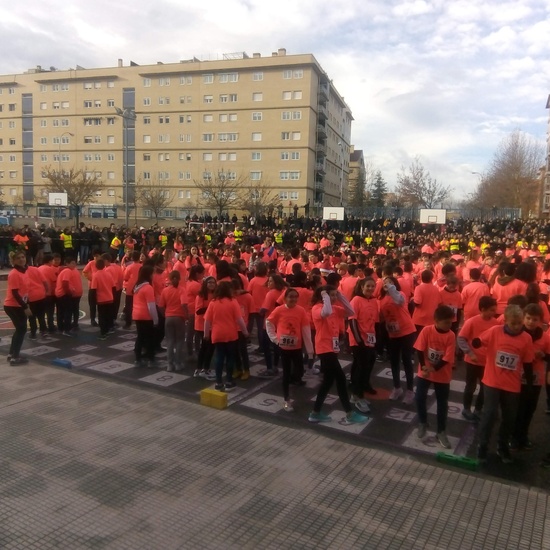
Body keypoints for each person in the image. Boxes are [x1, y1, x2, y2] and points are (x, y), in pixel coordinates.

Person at [473, 304, 534, 464]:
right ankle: (483, 445)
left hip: (512, 385)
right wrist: (476, 342)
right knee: (490, 414)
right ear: (505, 321)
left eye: (519, 323)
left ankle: (502, 446)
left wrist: (528, 384)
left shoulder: (526, 338)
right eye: (513, 323)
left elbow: (528, 363)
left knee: (509, 417)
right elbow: (480, 340)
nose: (516, 326)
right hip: (492, 381)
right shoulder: (495, 331)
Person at [308, 285, 369, 425]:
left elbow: (350, 311)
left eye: (335, 295)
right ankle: (349, 413)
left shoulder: (336, 308)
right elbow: (326, 311)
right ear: (323, 297)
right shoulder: (317, 308)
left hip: (332, 348)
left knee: (328, 382)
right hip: (324, 348)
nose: (334, 298)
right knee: (341, 379)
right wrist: (325, 296)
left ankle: (315, 413)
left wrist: (341, 296)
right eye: (332, 295)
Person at [414, 305, 456, 449]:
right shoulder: (427, 330)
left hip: (442, 373)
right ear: (436, 321)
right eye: (446, 322)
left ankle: (441, 431)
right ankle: (423, 422)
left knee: (442, 404)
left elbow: (446, 358)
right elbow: (419, 349)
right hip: (425, 371)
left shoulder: (451, 335)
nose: (449, 325)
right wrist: (424, 366)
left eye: (450, 322)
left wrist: (433, 368)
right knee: (419, 397)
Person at [266, 288, 314, 412]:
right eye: (290, 296)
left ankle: (295, 380)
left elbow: (306, 330)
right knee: (286, 373)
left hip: (297, 347)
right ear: (285, 298)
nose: (293, 299)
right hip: (284, 347)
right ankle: (286, 399)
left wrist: (310, 351)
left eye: (295, 297)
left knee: (299, 370)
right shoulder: (279, 310)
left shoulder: (301, 311)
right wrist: (275, 339)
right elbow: (269, 322)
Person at [510, 303, 550, 450]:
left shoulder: (545, 337)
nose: (531, 322)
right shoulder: (517, 333)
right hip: (516, 377)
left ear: (540, 321)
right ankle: (513, 436)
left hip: (535, 379)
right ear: (523, 318)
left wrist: (543, 355)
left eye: (535, 319)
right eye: (528, 318)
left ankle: (523, 436)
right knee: (517, 409)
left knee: (530, 409)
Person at [457, 296, 498, 421]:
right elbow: (461, 338)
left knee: (485, 387)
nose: (493, 313)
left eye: (494, 310)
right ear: (483, 309)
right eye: (491, 310)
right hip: (473, 361)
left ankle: (478, 409)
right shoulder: (472, 321)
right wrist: (470, 353)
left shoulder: (495, 323)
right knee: (471, 386)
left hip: (488, 362)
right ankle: (466, 408)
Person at [203, 281, 249, 391]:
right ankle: (229, 381)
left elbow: (207, 321)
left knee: (219, 357)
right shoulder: (233, 302)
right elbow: (239, 320)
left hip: (217, 334)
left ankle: (218, 382)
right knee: (230, 358)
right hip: (231, 334)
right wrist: (245, 332)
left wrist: (206, 334)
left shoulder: (213, 303)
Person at [378, 276, 417, 404]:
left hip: (407, 331)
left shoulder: (400, 294)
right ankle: (397, 387)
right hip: (393, 334)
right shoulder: (381, 299)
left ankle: (410, 390)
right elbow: (380, 317)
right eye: (385, 283)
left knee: (406, 360)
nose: (387, 285)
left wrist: (391, 287)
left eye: (390, 283)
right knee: (394, 360)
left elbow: (398, 299)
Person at [348, 278, 378, 411]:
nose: (370, 288)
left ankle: (358, 390)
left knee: (366, 366)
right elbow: (352, 321)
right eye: (368, 286)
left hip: (370, 339)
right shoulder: (356, 300)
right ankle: (357, 396)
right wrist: (359, 340)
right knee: (362, 367)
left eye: (373, 286)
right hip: (358, 340)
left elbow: (375, 322)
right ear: (362, 287)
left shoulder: (373, 301)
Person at [3, 251, 31, 365]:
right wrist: (25, 307)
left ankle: (12, 354)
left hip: (19, 305)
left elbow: (25, 291)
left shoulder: (24, 271)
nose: (21, 259)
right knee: (21, 329)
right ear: (13, 261)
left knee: (20, 329)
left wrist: (27, 303)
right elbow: (15, 293)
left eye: (23, 257)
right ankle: (15, 357)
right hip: (13, 305)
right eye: (18, 258)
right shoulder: (14, 273)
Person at [159, 270, 187, 372]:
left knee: (170, 341)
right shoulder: (181, 290)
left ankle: (169, 364)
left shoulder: (165, 291)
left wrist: (165, 314)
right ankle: (178, 363)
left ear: (169, 279)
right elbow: (184, 304)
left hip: (168, 317)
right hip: (179, 317)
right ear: (179, 279)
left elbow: (161, 306)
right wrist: (186, 315)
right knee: (179, 341)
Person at [132, 265, 159, 368]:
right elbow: (151, 306)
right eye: (152, 273)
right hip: (146, 316)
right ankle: (151, 360)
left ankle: (138, 359)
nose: (153, 275)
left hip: (137, 315)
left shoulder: (137, 286)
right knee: (150, 339)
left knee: (140, 337)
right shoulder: (148, 288)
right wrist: (156, 320)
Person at [193, 277, 217, 379]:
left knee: (209, 348)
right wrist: (212, 308)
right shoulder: (201, 295)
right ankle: (202, 369)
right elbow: (198, 311)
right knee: (205, 348)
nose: (211, 284)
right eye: (209, 282)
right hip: (202, 326)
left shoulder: (215, 295)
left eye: (213, 282)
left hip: (212, 325)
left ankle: (203, 368)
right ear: (205, 284)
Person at [54, 255, 83, 336]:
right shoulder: (67, 271)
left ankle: (61, 328)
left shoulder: (71, 270)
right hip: (64, 295)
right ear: (67, 263)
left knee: (62, 312)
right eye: (72, 263)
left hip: (62, 294)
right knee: (68, 312)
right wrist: (69, 293)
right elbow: (65, 283)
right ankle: (66, 329)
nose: (74, 265)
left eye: (75, 263)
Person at [90, 258, 115, 340]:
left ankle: (103, 333)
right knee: (108, 315)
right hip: (109, 298)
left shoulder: (96, 275)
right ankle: (108, 330)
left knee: (102, 316)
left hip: (101, 299)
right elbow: (113, 287)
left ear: (96, 266)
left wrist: (93, 301)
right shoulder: (108, 274)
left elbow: (93, 289)